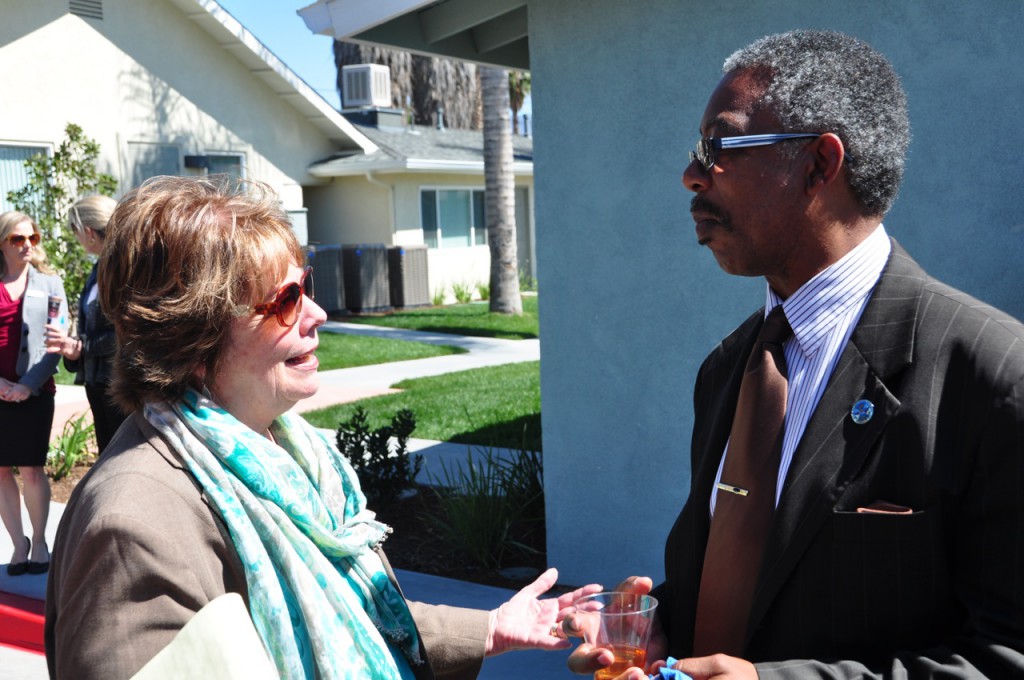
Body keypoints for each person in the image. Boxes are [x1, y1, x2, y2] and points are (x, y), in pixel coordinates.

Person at [567, 29, 1024, 679]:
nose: (692, 174)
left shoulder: (992, 375)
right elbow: (763, 588)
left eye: (720, 146)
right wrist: (658, 626)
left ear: (818, 164)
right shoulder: (730, 370)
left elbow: (1009, 656)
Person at [45, 175, 597, 680]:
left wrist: (492, 629)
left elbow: (346, 612)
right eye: (285, 301)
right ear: (193, 340)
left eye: (304, 286)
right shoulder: (133, 524)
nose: (317, 314)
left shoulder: (281, 448)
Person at [0, 210, 67, 576]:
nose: (27, 245)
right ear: (3, 243)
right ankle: (18, 544)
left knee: (31, 468)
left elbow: (56, 342)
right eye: (17, 239)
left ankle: (39, 541)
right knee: (0, 472)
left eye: (32, 238)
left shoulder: (51, 285)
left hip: (36, 391)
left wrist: (28, 385)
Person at [45, 195, 129, 453]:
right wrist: (74, 350)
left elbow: (125, 330)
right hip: (97, 382)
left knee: (119, 460)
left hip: (121, 384)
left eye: (75, 230)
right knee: (107, 456)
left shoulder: (124, 267)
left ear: (89, 231)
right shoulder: (99, 269)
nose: (75, 237)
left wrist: (83, 346)